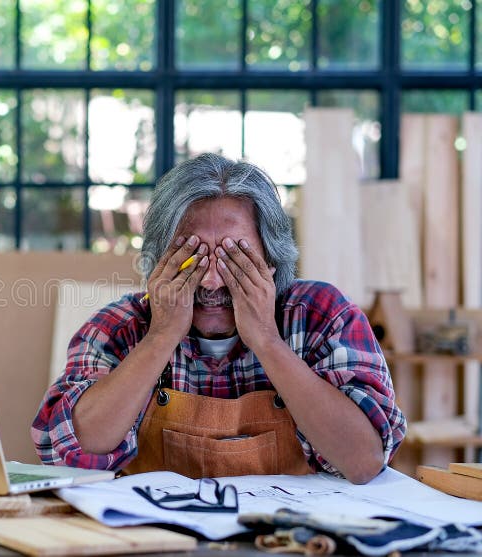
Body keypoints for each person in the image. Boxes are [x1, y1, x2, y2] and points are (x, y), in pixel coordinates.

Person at [31, 153, 406, 485]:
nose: (210, 281)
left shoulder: (323, 315)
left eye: (233, 259)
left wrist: (268, 341)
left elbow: (364, 461)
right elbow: (70, 451)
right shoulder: (118, 326)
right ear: (158, 261)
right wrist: (161, 336)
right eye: (191, 259)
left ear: (272, 260)